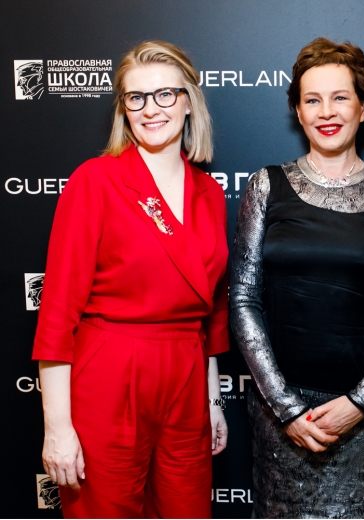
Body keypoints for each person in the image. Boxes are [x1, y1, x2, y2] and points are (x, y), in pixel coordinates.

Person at [32, 41, 229, 519]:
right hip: (111, 372)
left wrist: (212, 399)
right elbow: (57, 313)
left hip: (186, 377)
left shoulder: (209, 192)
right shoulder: (95, 181)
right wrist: (57, 427)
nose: (151, 109)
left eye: (165, 94)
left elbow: (212, 313)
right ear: (124, 108)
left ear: (189, 100)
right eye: (136, 97)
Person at [230, 37, 364, 518]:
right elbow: (244, 298)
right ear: (298, 112)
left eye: (340, 97)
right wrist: (286, 408)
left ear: (363, 107)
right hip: (281, 417)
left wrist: (359, 402)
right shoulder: (266, 185)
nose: (326, 112)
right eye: (312, 100)